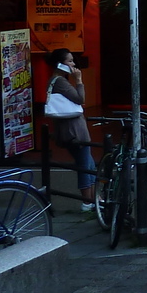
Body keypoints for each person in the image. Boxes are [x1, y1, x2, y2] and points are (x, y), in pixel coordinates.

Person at [44, 48, 95, 204]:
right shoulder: (60, 81)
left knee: (89, 164)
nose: (73, 64)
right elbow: (80, 98)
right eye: (70, 61)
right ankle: (87, 201)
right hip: (74, 130)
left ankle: (94, 199)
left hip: (69, 129)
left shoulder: (56, 81)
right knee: (85, 165)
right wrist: (79, 80)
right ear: (60, 64)